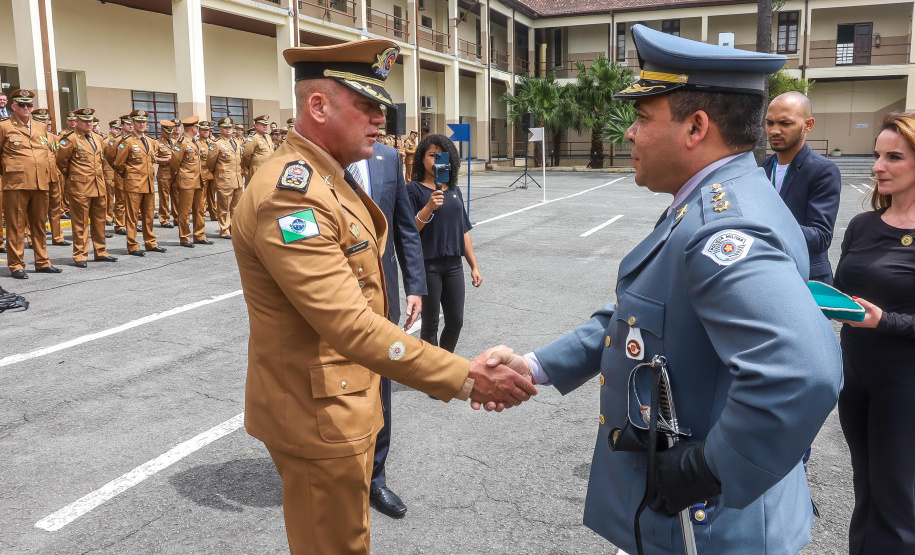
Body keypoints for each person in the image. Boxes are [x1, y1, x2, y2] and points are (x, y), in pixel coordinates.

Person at [482, 26, 843, 554]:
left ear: (696, 127)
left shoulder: (723, 228)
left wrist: (706, 469)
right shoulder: (719, 196)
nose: (629, 133)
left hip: (709, 529)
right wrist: (536, 365)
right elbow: (646, 313)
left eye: (644, 117)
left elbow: (803, 371)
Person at [232, 38, 537, 555]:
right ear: (318, 106)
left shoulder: (332, 177)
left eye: (382, 106)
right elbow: (349, 322)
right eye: (366, 105)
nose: (381, 118)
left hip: (346, 400)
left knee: (350, 540)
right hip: (317, 414)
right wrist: (463, 376)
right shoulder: (291, 195)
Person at [833, 111, 915, 555]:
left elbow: (883, 314)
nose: (878, 165)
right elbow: (847, 291)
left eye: (894, 157)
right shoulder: (863, 225)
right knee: (866, 486)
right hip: (856, 376)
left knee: (897, 498)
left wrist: (886, 321)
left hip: (904, 382)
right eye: (879, 155)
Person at [345, 131, 426, 520]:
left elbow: (404, 226)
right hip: (332, 297)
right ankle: (336, 470)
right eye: (366, 107)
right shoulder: (316, 159)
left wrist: (415, 287)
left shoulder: (388, 158)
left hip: (383, 294)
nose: (377, 120)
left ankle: (375, 477)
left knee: (381, 383)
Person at [407, 134, 481, 354]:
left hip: (454, 266)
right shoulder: (414, 190)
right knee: (430, 325)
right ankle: (433, 376)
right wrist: (429, 207)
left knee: (455, 322)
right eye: (432, 155)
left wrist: (474, 266)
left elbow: (463, 231)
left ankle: (444, 365)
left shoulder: (454, 190)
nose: (436, 160)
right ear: (421, 158)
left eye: (441, 156)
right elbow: (410, 230)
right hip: (428, 266)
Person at [763, 92, 842, 283]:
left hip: (806, 279)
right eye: (769, 123)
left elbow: (820, 237)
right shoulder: (765, 166)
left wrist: (764, 225)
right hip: (768, 274)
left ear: (808, 125)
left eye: (785, 123)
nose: (774, 130)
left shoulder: (823, 170)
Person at [0, 90, 62, 279]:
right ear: (13, 107)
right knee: (17, 226)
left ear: (33, 107)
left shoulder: (40, 127)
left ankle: (42, 262)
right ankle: (17, 265)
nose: (25, 108)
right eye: (21, 105)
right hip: (16, 183)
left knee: (39, 224)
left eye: (29, 105)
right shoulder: (4, 126)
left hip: (39, 182)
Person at [56, 108, 118, 267]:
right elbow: (62, 163)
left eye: (91, 121)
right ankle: (80, 255)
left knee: (99, 221)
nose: (89, 123)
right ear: (77, 122)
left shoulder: (97, 138)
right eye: (85, 121)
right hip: (80, 187)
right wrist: (75, 177)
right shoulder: (69, 139)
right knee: (80, 223)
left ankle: (101, 251)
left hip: (98, 186)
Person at [113, 109, 168, 256]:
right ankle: (133, 245)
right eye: (139, 121)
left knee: (149, 215)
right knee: (132, 217)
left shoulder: (150, 141)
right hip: (134, 184)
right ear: (133, 123)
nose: (142, 124)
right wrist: (129, 176)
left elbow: (152, 160)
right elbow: (118, 164)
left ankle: (150, 242)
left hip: (149, 183)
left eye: (144, 122)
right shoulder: (127, 142)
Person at [170, 116, 211, 247]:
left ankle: (199, 235)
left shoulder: (194, 142)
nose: (198, 129)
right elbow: (174, 163)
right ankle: (184, 237)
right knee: (185, 211)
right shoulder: (181, 142)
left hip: (198, 180)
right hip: (186, 181)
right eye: (197, 127)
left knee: (200, 209)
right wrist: (177, 178)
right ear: (193, 129)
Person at [32, 108, 70, 248]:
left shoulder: (53, 137)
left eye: (45, 119)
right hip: (37, 177)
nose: (44, 122)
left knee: (55, 209)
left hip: (54, 176)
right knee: (36, 211)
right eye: (40, 119)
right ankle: (32, 239)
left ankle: (57, 236)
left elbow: (60, 156)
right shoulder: (30, 135)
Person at [206, 117, 243, 239]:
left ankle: (233, 229)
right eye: (225, 127)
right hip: (224, 179)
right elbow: (210, 163)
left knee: (236, 208)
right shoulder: (216, 144)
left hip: (237, 179)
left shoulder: (237, 142)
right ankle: (224, 230)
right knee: (224, 207)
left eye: (230, 127)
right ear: (220, 129)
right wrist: (219, 174)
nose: (228, 130)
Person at [105, 114, 133, 235]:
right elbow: (110, 157)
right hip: (121, 174)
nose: (131, 126)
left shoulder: (135, 139)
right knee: (121, 200)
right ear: (122, 126)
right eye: (128, 124)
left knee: (132, 201)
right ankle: (120, 224)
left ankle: (131, 224)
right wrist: (119, 169)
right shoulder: (116, 140)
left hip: (133, 175)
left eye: (132, 124)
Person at [156, 120, 177, 228]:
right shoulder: (157, 142)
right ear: (162, 131)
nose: (169, 134)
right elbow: (153, 158)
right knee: (164, 198)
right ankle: (164, 219)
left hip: (175, 174)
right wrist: (164, 160)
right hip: (164, 174)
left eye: (171, 132)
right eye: (167, 132)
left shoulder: (175, 141)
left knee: (177, 197)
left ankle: (177, 218)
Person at [240, 114, 274, 182]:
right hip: (257, 169)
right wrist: (248, 167)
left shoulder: (268, 137)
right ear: (256, 126)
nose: (265, 126)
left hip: (268, 169)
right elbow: (246, 155)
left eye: (266, 125)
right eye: (262, 124)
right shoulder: (253, 138)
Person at [198, 121, 218, 221]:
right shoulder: (196, 143)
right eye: (203, 130)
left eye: (207, 130)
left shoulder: (213, 143)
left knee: (212, 196)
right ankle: (202, 216)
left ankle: (214, 215)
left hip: (212, 173)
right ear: (199, 131)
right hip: (202, 173)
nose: (206, 132)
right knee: (202, 197)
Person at [103, 119, 120, 226]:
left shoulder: (122, 141)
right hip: (107, 171)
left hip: (118, 173)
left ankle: (118, 217)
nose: (118, 131)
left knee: (120, 198)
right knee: (108, 197)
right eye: (115, 128)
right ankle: (108, 216)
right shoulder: (105, 141)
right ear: (110, 129)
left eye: (119, 129)